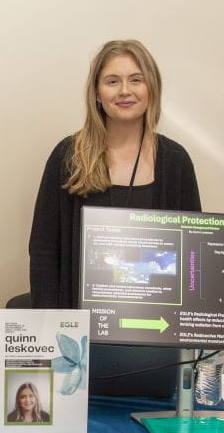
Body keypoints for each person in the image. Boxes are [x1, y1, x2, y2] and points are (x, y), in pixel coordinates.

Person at [28, 39, 201, 309]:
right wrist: (53, 324)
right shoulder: (68, 156)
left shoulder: (176, 162)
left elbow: (193, 253)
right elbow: (44, 252)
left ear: (151, 88)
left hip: (153, 320)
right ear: (97, 93)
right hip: (78, 320)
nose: (124, 91)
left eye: (136, 80)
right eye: (112, 81)